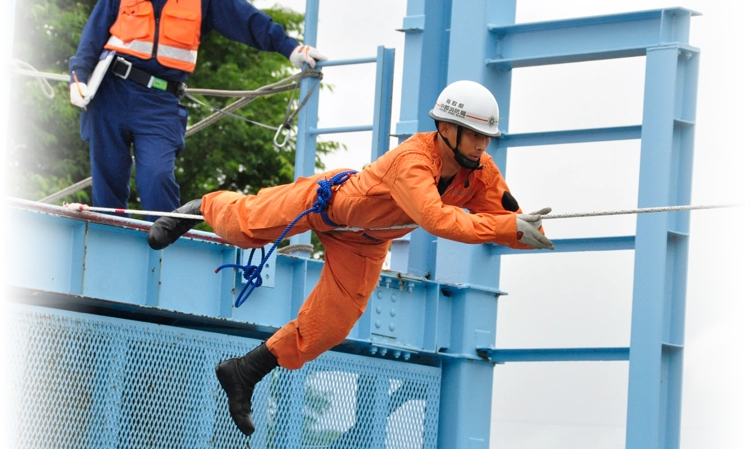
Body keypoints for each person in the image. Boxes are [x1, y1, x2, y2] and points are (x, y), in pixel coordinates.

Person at [147, 80, 554, 436]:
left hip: (366, 243)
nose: (483, 144)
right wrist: (510, 229)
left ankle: (244, 370)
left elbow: (506, 218)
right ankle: (199, 206)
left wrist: (528, 233)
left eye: (487, 137)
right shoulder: (413, 162)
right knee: (246, 228)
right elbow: (437, 220)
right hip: (327, 204)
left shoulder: (479, 171)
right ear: (446, 128)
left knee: (331, 325)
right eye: (475, 135)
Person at [68, 0, 326, 222]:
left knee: (156, 177)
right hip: (110, 92)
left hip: (159, 102)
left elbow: (245, 18)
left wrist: (290, 48)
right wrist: (78, 77)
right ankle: (108, 248)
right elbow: (94, 32)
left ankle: (168, 252)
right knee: (107, 184)